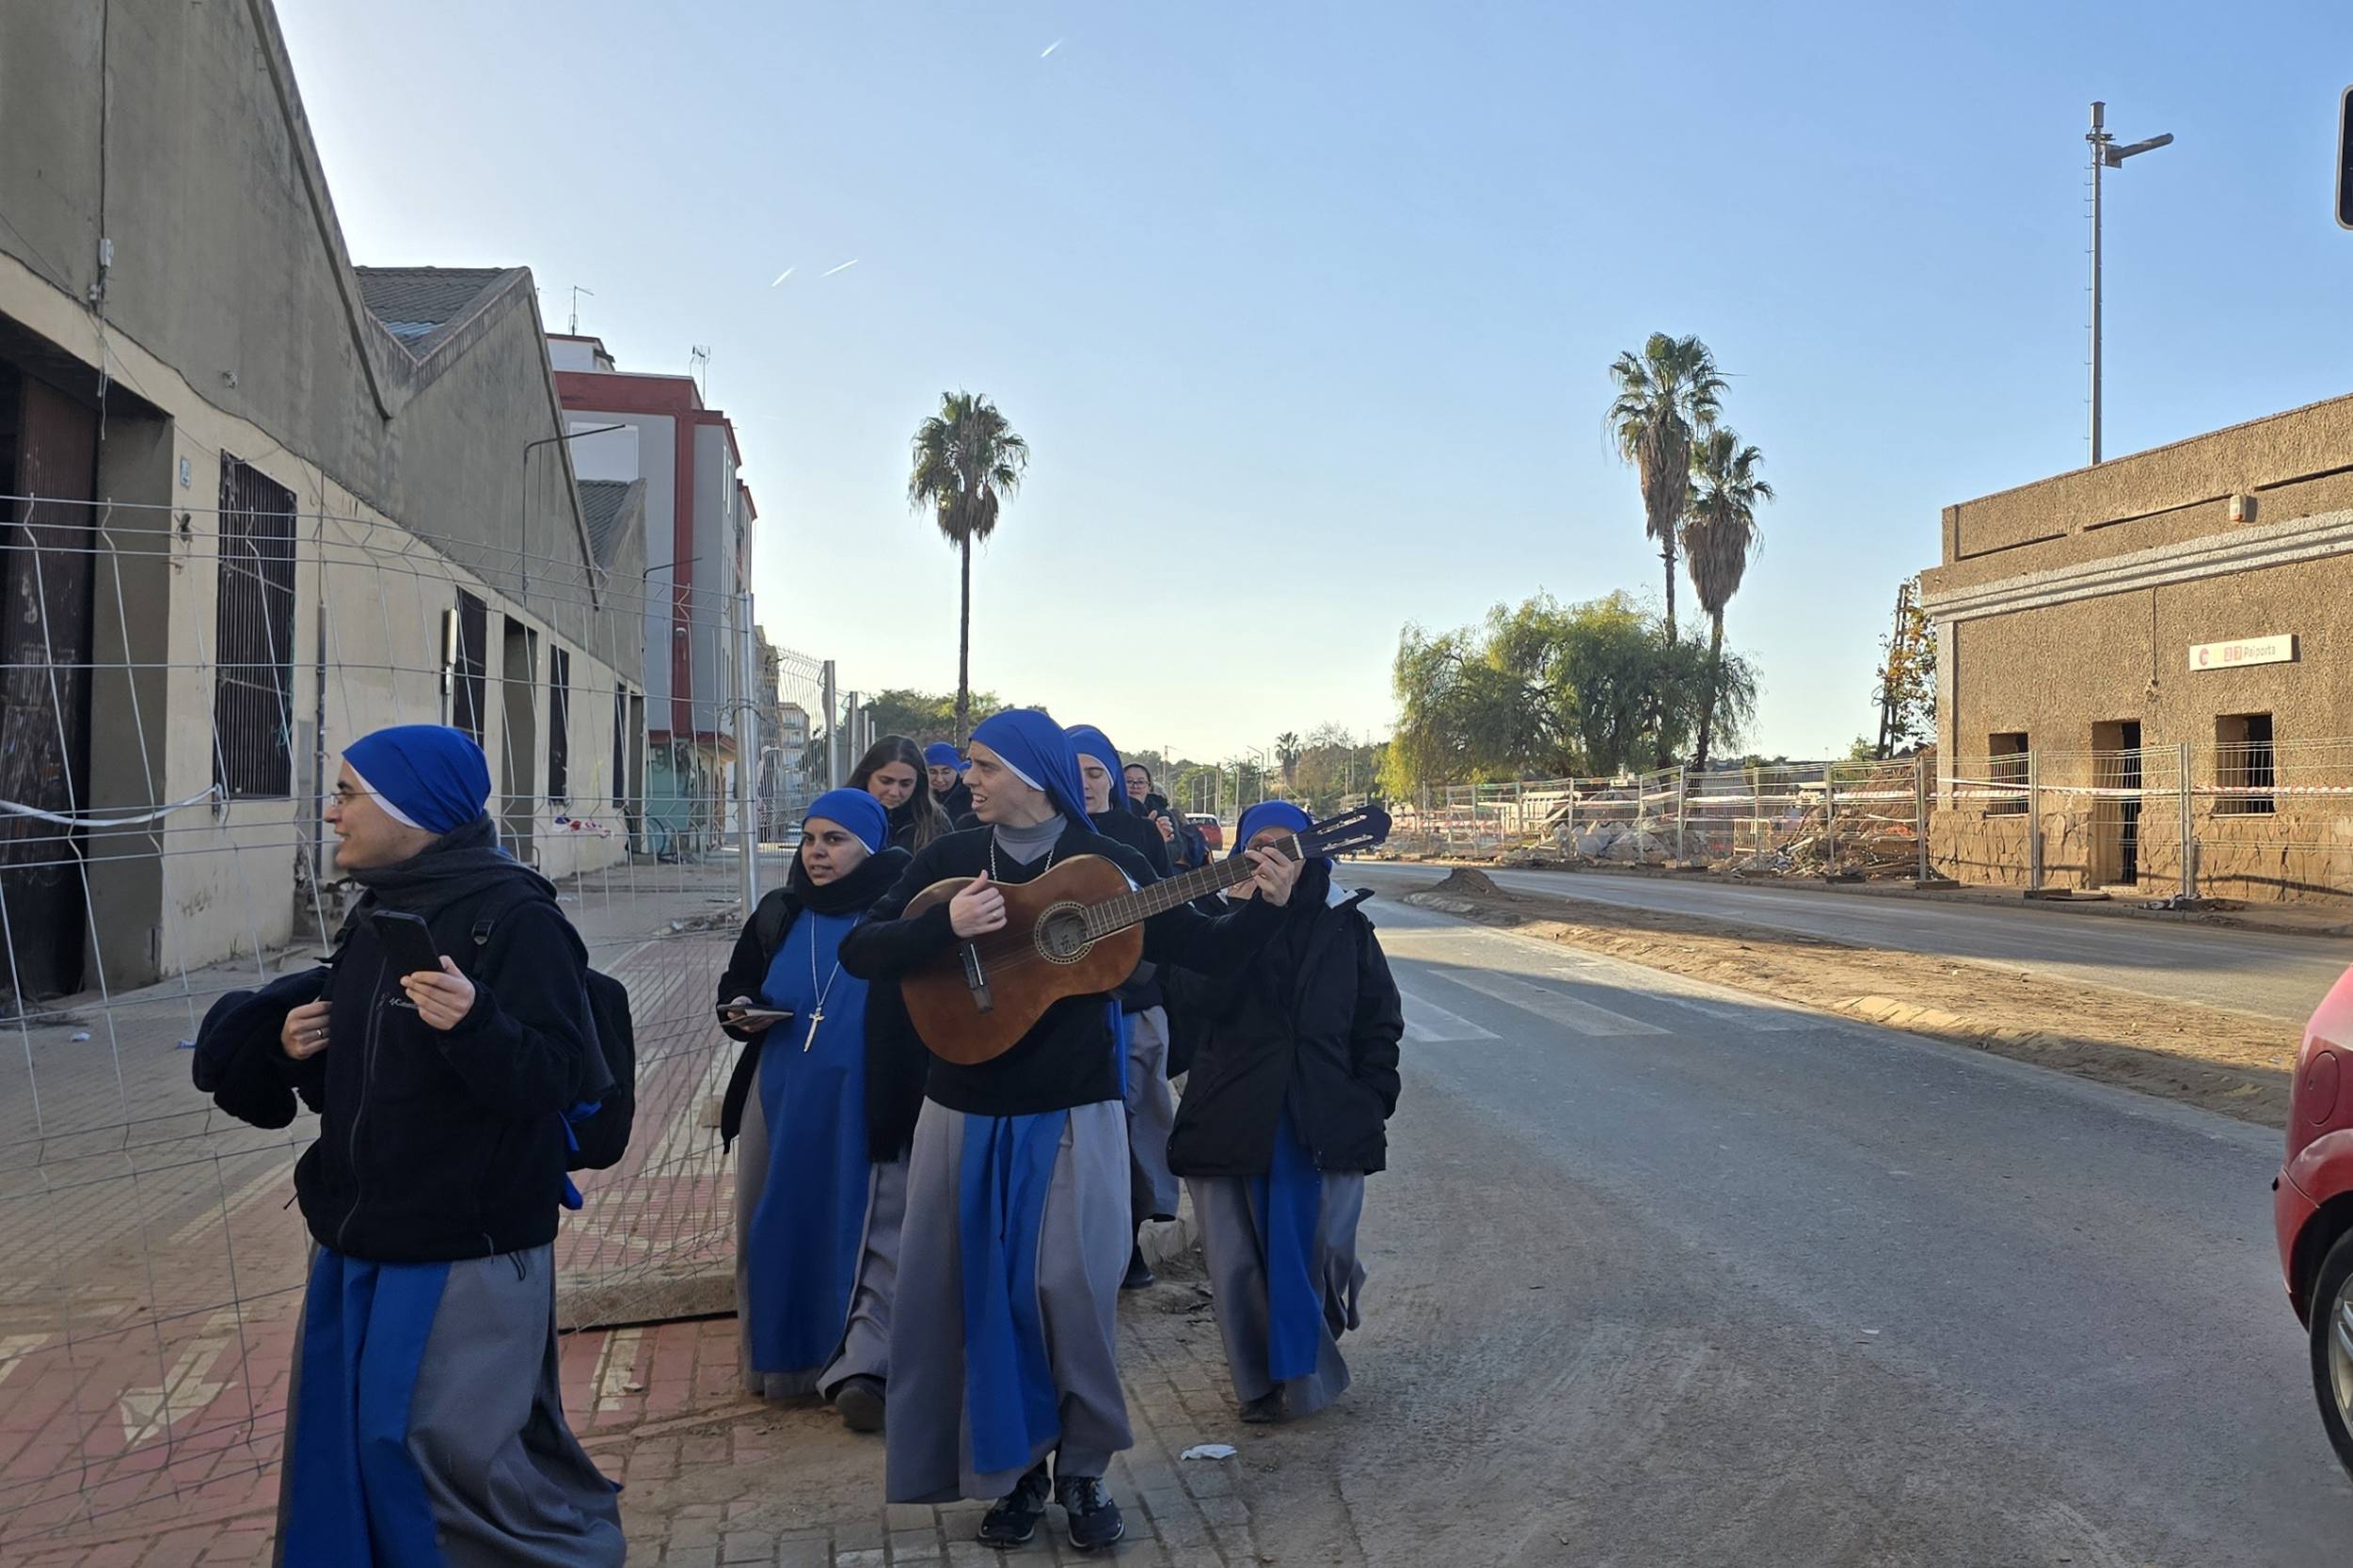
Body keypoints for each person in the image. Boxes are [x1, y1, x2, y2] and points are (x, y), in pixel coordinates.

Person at [839, 709, 1302, 1553]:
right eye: (970, 765)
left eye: (982, 765)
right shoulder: (945, 861)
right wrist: (940, 927)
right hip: (962, 1112)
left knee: (1070, 1292)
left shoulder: (1111, 869)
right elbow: (862, 950)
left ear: (1030, 772)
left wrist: (1266, 908)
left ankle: (1083, 1470)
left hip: (1073, 1110)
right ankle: (1014, 1474)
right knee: (984, 1297)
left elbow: (1209, 952)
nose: (966, 779)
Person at [191, 724, 623, 1568]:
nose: (332, 810)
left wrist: (476, 1022)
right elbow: (371, 1080)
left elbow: (562, 1078)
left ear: (411, 807)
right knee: (350, 1446)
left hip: (465, 1247)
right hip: (360, 1240)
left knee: (446, 1461)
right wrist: (289, 1045)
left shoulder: (515, 917)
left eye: (349, 792)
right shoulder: (382, 910)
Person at [1165, 800, 1404, 1427]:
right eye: (1257, 845)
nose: (1270, 856)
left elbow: (1377, 1018)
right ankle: (1262, 1384)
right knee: (1239, 1263)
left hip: (1323, 1115)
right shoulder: (1213, 920)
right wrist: (1245, 916)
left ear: (1312, 851)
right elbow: (1194, 1002)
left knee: (1325, 1249)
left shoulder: (1344, 924)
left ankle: (1313, 1335)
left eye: (1285, 845)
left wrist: (1373, 1093)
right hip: (1232, 1114)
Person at [713, 788, 920, 1433]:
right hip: (782, 1092)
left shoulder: (901, 910)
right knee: (779, 1218)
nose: (818, 852)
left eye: (835, 840)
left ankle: (865, 1367)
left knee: (868, 1225)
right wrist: (742, 1011)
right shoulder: (780, 910)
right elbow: (734, 983)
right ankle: (785, 1362)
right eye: (809, 838)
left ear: (869, 846)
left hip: (870, 1095)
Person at [1068, 726, 1180, 1292]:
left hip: (1132, 1002)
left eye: (1096, 772)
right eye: (1076, 770)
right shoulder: (1048, 833)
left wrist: (1129, 975)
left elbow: (1163, 920)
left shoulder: (1138, 834)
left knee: (1136, 1120)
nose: (1086, 784)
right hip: (1061, 1005)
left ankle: (1132, 1238)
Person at [852, 734, 954, 852]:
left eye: (905, 784)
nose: (894, 792)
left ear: (918, 783)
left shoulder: (936, 824)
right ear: (866, 776)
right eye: (885, 781)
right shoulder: (841, 814)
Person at [927, 741, 974, 822]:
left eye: (946, 772)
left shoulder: (971, 797)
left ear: (956, 771)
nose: (939, 779)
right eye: (932, 772)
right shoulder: (917, 798)